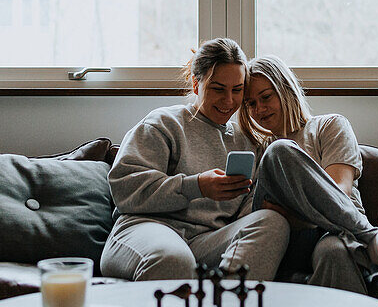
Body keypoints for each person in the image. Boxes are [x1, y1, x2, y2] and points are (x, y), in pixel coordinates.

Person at [101, 38, 290, 282]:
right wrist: (196, 186)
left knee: (273, 222)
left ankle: (231, 306)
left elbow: (248, 211)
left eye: (238, 90)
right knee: (174, 259)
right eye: (218, 89)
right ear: (196, 84)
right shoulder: (163, 124)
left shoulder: (248, 141)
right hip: (145, 230)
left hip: (207, 241)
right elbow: (125, 191)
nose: (229, 101)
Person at [241, 55, 378, 293]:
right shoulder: (256, 149)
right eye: (250, 104)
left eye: (266, 97)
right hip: (284, 239)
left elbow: (341, 190)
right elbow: (258, 214)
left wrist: (293, 214)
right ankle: (373, 240)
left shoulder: (329, 126)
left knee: (335, 253)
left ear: (286, 89)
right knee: (279, 150)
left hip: (336, 231)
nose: (259, 109)